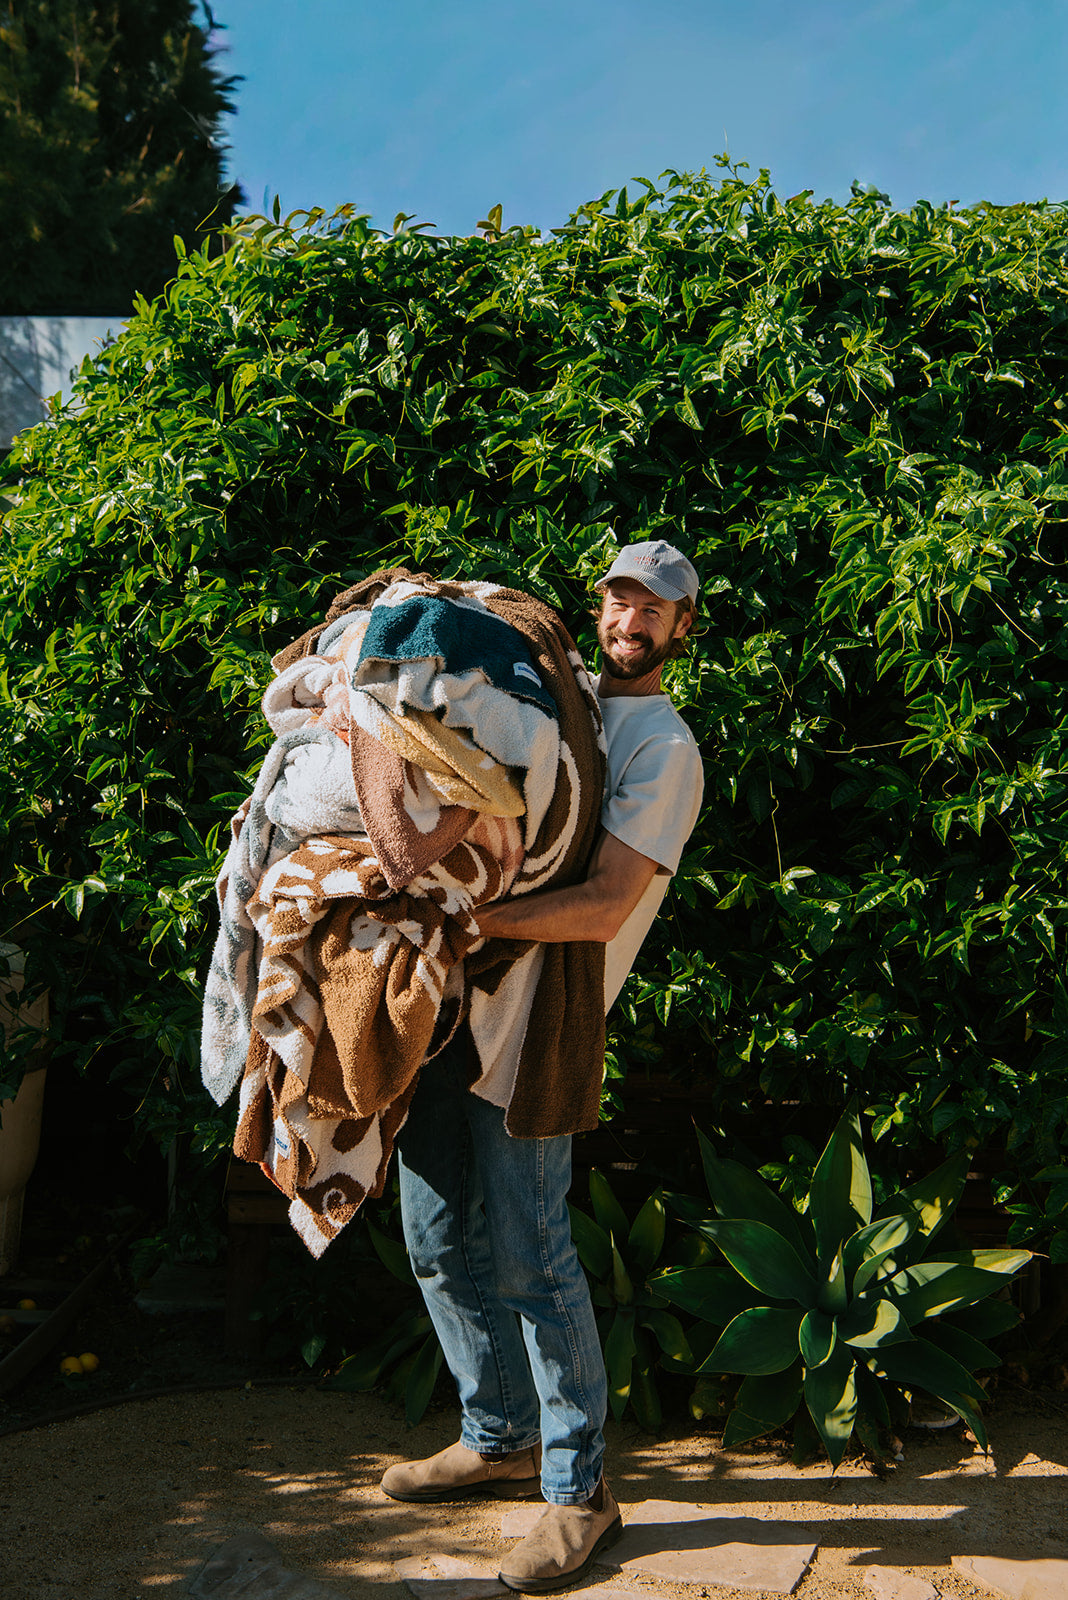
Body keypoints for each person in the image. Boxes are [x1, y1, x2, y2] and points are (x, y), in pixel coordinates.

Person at [380, 541, 705, 1594]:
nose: (630, 615)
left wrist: (472, 920)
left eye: (653, 606)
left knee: (533, 1255)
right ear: (595, 606)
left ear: (680, 629)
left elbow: (607, 900)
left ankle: (579, 1494)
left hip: (539, 1025)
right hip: (449, 1007)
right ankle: (499, 1428)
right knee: (433, 1232)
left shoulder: (663, 747)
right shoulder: (558, 704)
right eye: (617, 595)